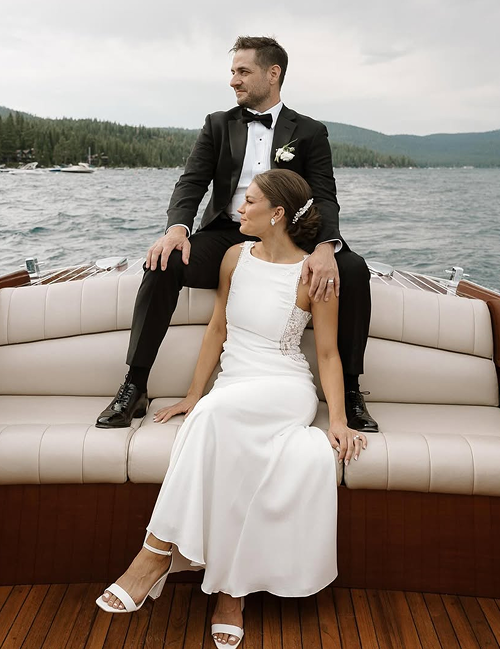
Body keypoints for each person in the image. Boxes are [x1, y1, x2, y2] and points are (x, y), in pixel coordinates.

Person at [96, 169, 369, 648]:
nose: (240, 208)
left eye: (251, 201)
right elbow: (217, 329)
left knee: (214, 419)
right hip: (233, 384)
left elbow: (327, 353)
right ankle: (229, 591)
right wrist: (193, 394)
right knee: (216, 422)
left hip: (285, 388)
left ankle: (155, 553)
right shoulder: (232, 257)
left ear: (277, 214)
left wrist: (340, 420)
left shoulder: (314, 273)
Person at [95, 35, 377, 433]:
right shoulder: (218, 124)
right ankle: (134, 384)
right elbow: (191, 182)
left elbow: (325, 196)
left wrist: (327, 246)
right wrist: (177, 228)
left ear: (273, 74)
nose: (233, 81)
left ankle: (349, 392)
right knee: (162, 262)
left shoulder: (310, 132)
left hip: (288, 235)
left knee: (353, 269)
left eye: (243, 71)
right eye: (232, 72)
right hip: (227, 233)